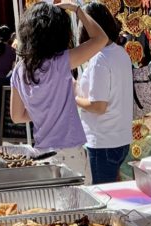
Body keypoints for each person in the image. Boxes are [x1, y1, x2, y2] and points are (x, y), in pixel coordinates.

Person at [10, 1, 109, 180]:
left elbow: (17, 116)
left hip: (41, 155)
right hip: (69, 153)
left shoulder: (19, 69)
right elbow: (101, 39)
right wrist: (78, 10)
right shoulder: (62, 61)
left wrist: (45, 110)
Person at [75, 3, 133, 184]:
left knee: (105, 198)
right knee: (113, 196)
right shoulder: (119, 52)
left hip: (104, 141)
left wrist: (73, 99)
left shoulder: (100, 58)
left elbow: (98, 106)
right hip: (119, 138)